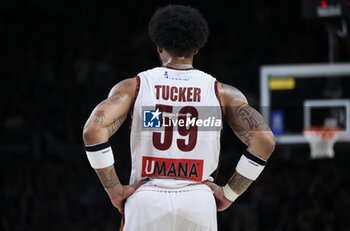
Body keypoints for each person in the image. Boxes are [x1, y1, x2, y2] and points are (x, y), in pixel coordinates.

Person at [82, 5, 275, 231]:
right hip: (198, 200)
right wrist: (229, 193)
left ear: (159, 46)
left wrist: (114, 190)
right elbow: (265, 141)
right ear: (196, 48)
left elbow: (93, 131)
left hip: (147, 197)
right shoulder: (222, 92)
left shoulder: (134, 87)